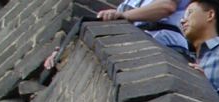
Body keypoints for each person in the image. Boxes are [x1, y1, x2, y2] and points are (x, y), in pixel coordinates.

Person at [44, 0, 191, 70]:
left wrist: (123, 15)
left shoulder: (124, 10)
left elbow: (166, 7)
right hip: (136, 48)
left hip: (165, 46)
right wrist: (65, 50)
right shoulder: (128, 3)